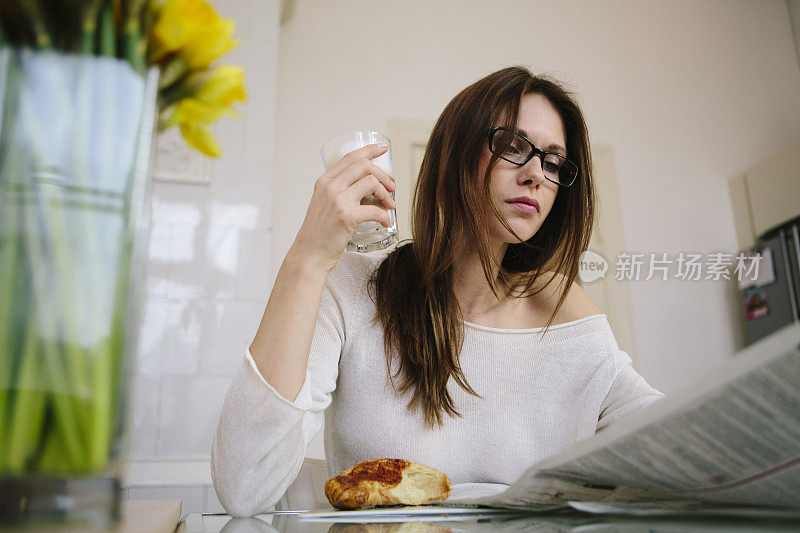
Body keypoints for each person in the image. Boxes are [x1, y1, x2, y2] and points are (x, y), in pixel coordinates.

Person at [211, 66, 664, 517]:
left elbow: (673, 442)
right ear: (453, 158)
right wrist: (307, 259)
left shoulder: (567, 317)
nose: (535, 175)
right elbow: (244, 487)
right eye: (512, 147)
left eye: (552, 161)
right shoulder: (353, 289)